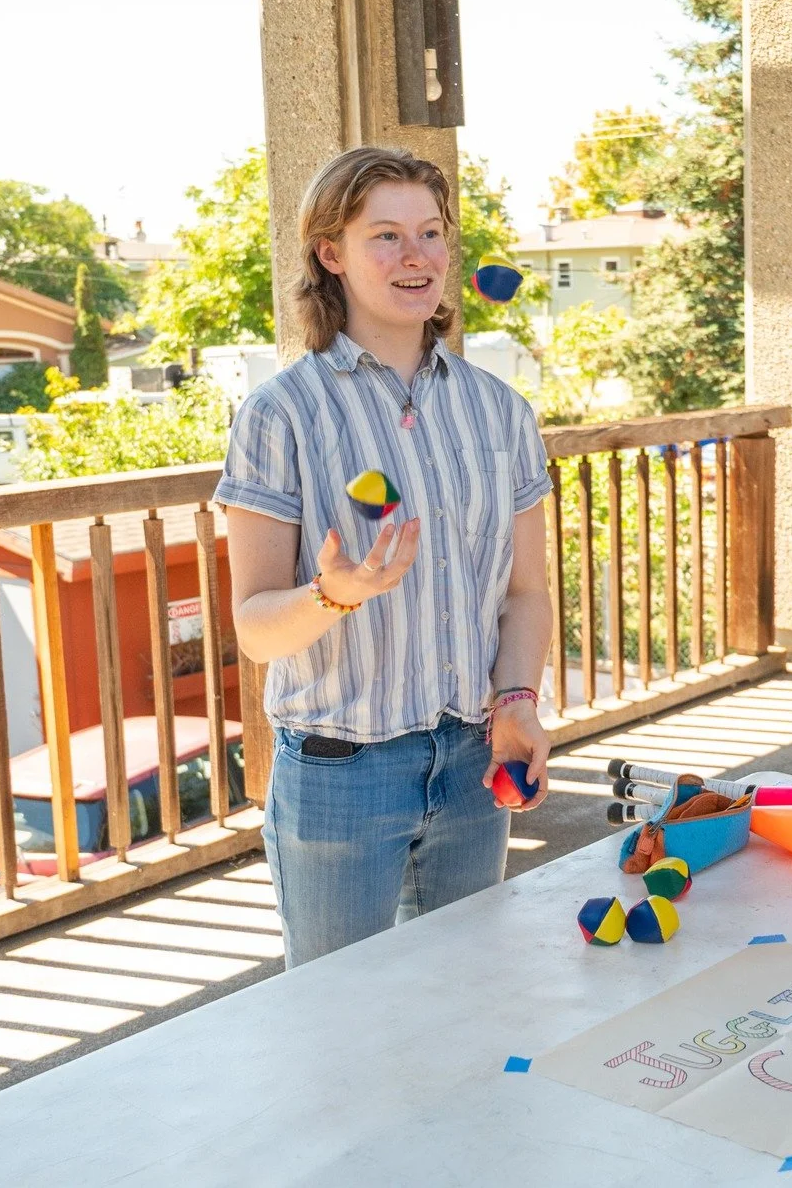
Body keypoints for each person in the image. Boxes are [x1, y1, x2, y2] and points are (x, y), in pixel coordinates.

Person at [217, 146, 556, 968]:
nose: (418, 255)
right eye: (387, 235)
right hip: (340, 778)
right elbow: (256, 629)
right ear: (330, 254)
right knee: (341, 1023)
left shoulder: (501, 411)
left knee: (462, 1000)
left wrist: (517, 698)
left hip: (473, 764)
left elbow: (525, 591)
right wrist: (332, 593)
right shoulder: (280, 415)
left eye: (431, 232)